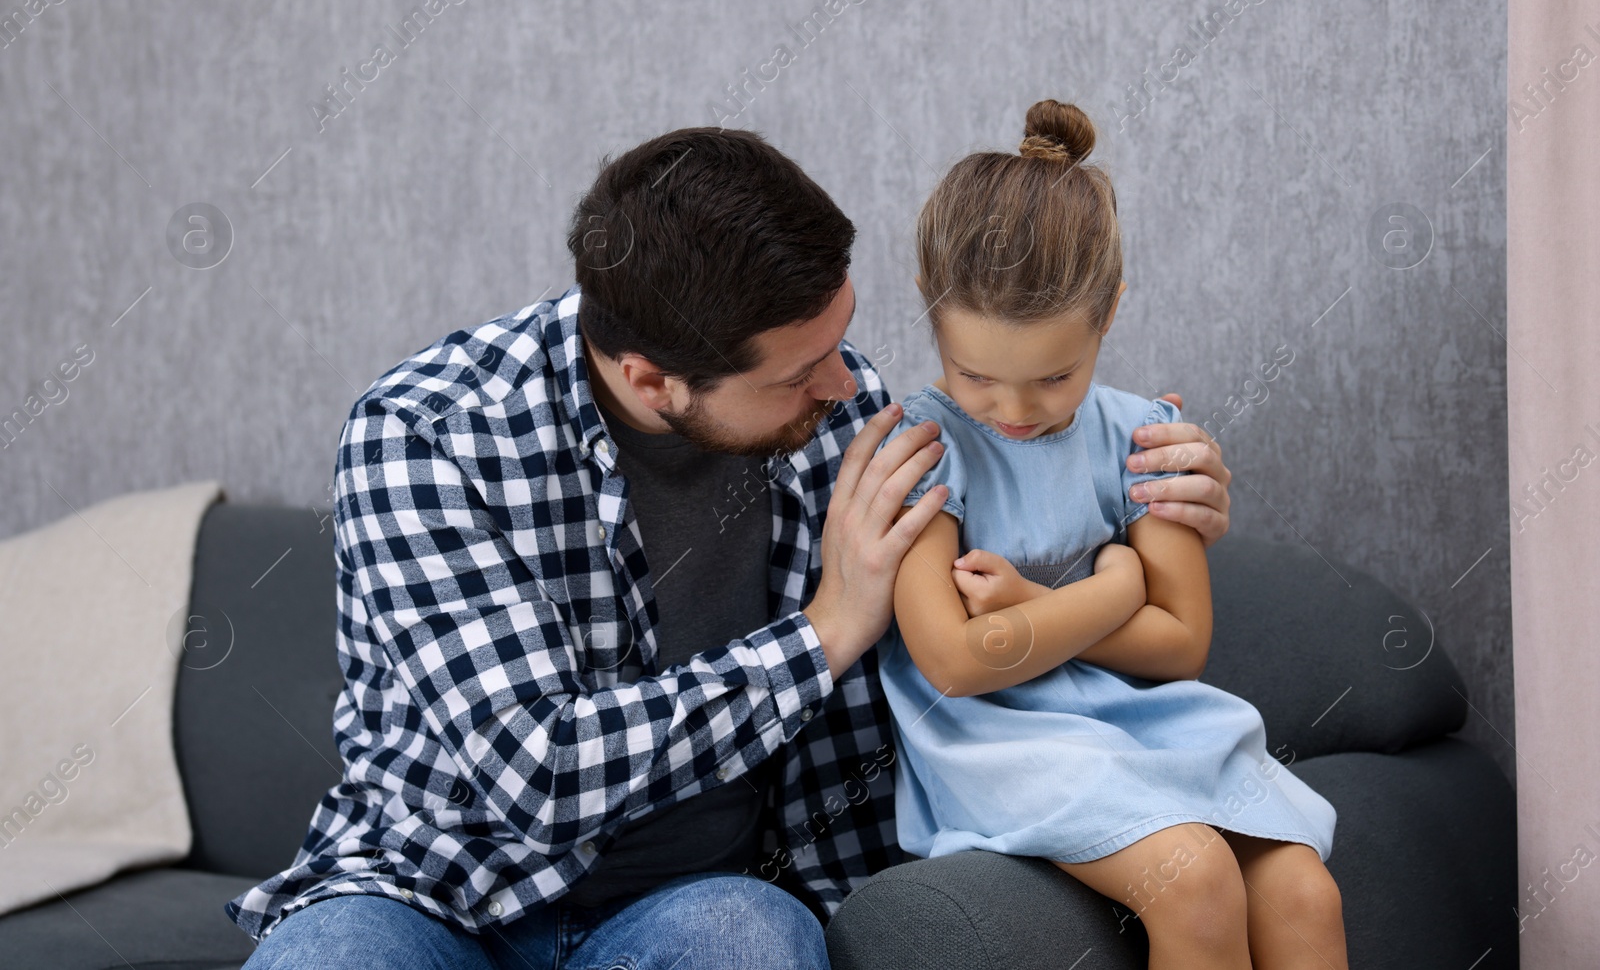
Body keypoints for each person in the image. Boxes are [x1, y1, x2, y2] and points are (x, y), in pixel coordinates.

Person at [225, 123, 1235, 968]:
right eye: (801, 372)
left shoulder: (849, 420)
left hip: (692, 907)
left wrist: (1160, 487)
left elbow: (1012, 523)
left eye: (841, 336)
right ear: (653, 379)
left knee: (749, 936)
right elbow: (539, 771)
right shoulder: (429, 433)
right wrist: (826, 632)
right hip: (430, 893)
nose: (847, 384)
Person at [875, 99, 1344, 970]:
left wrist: (1032, 608)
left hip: (1146, 721)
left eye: (1055, 376)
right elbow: (956, 660)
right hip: (1000, 739)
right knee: (1195, 876)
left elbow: (1181, 646)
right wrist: (1114, 587)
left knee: (1303, 889)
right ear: (927, 311)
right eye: (974, 373)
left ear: (1111, 312)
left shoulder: (1144, 441)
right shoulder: (927, 451)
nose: (1012, 411)